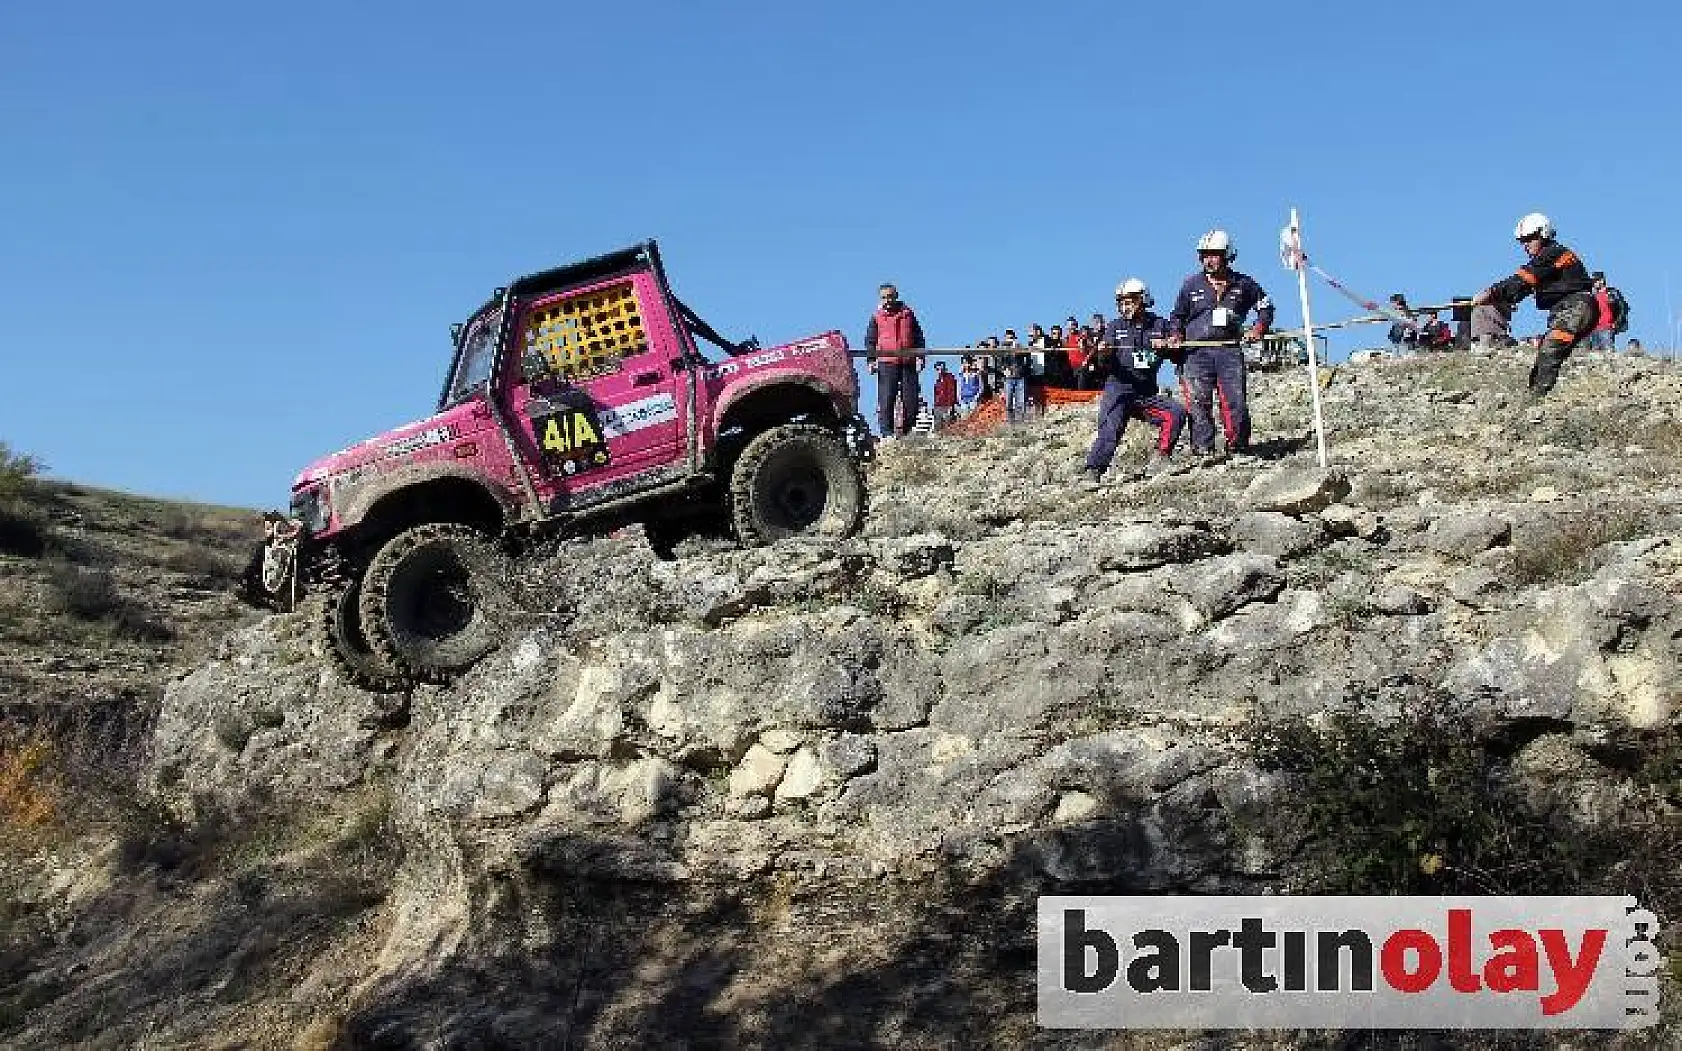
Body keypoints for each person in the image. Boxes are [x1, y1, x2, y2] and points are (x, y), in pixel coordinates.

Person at [1167, 230, 1274, 461]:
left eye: (1214, 255)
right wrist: (1175, 335)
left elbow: (1266, 308)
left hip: (1229, 351)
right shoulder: (1190, 285)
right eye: (1205, 255)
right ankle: (1203, 450)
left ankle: (1238, 447)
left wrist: (1258, 329)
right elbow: (1177, 316)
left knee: (1235, 401)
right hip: (1195, 353)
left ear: (1227, 255)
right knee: (1198, 402)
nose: (1209, 260)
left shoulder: (1244, 284)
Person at [1471, 213, 1596, 397]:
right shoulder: (1546, 263)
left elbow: (1522, 280)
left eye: (1529, 239)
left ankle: (1538, 398)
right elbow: (1522, 289)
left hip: (1576, 306)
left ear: (1543, 234)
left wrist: (1490, 292)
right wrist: (1499, 298)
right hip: (1568, 309)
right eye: (1522, 241)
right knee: (1546, 351)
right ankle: (1536, 395)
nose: (1525, 245)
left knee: (1551, 347)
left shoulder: (1552, 253)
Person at [1081, 278, 1187, 483]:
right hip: (1118, 390)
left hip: (1145, 394)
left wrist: (1169, 344)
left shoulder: (1160, 325)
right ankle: (1093, 471)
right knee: (1110, 428)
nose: (1124, 307)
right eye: (1121, 303)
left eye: (1129, 302)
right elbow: (1102, 363)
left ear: (1142, 300)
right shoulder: (1114, 327)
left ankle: (1161, 458)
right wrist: (1103, 353)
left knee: (1176, 413)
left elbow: (1177, 350)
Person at [864, 282, 926, 438]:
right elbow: (870, 340)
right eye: (884, 297)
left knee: (911, 400)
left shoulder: (908, 313)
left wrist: (921, 356)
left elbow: (918, 336)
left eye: (890, 296)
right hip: (886, 362)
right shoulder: (876, 317)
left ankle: (908, 431)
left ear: (896, 296)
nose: (887, 300)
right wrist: (871, 360)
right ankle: (887, 434)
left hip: (908, 361)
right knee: (886, 399)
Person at [1000, 329, 1030, 423]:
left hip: (1020, 377)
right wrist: (1004, 369)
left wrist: (1024, 369)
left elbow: (1027, 356)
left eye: (1011, 338)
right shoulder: (1002, 349)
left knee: (1021, 401)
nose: (1009, 340)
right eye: (1008, 338)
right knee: (1008, 401)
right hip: (1008, 379)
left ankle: (1021, 421)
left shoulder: (1019, 346)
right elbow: (1000, 363)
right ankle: (1010, 421)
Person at [931, 360, 959, 425]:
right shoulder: (938, 381)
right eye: (938, 369)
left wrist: (950, 405)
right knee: (938, 425)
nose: (940, 371)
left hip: (947, 405)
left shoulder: (950, 377)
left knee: (948, 424)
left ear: (944, 368)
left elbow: (952, 392)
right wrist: (935, 405)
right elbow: (936, 394)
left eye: (941, 369)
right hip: (938, 406)